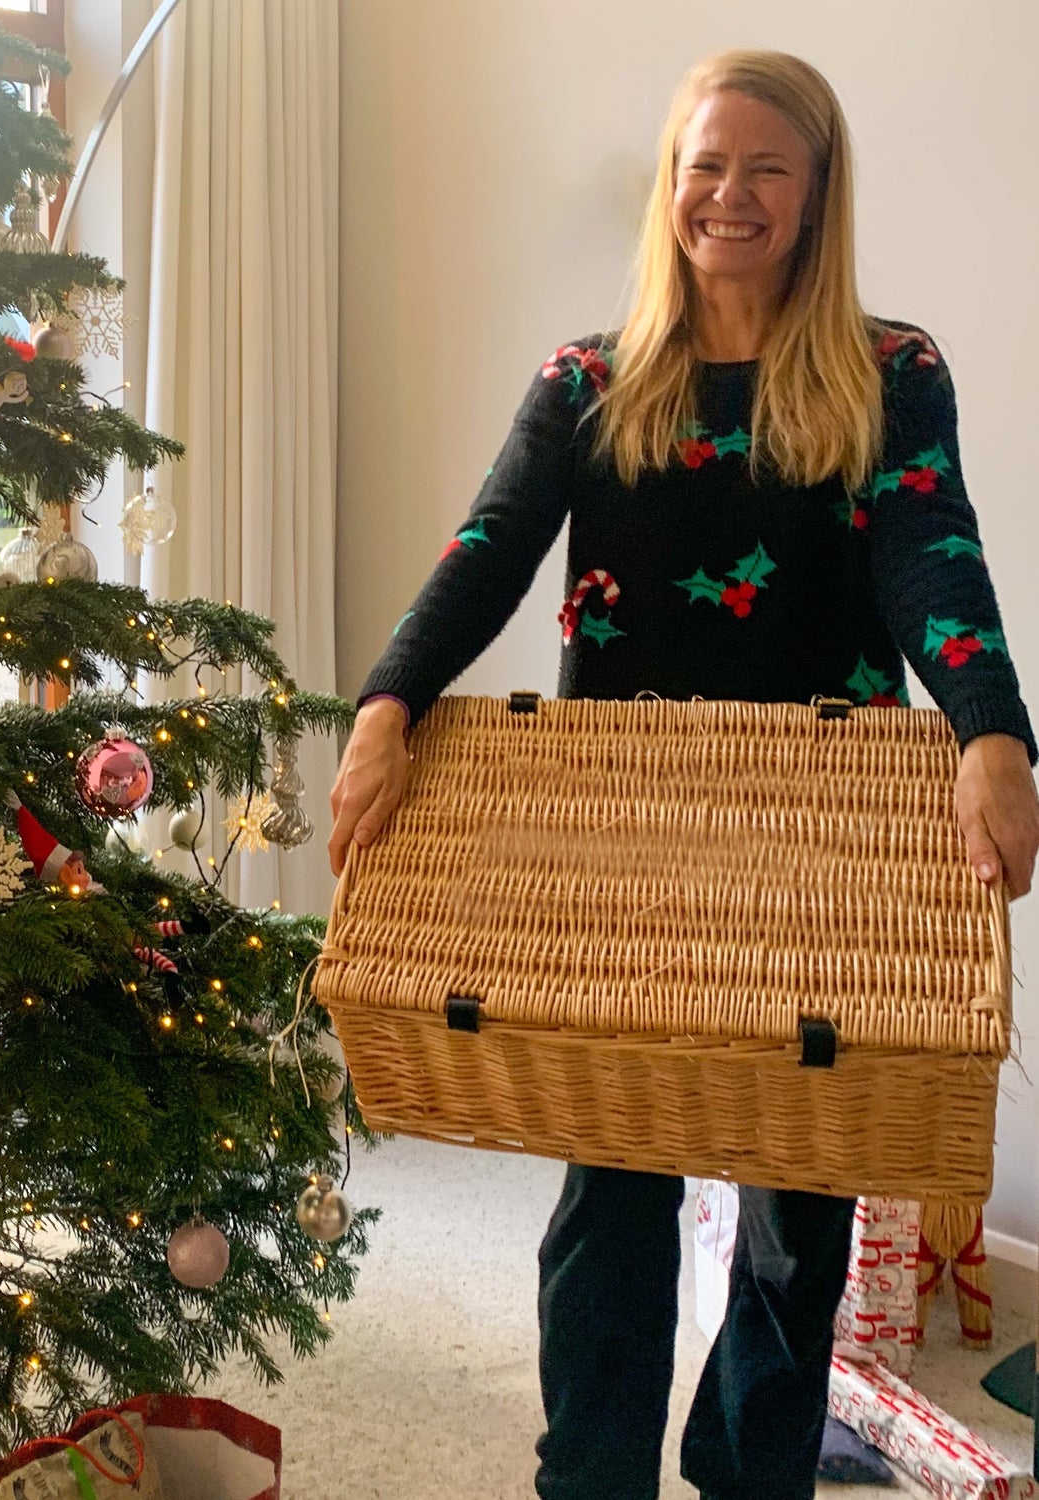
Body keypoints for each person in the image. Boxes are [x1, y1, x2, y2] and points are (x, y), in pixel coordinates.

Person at [326, 48, 1039, 1500]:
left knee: (800, 1211)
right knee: (611, 1194)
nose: (730, 193)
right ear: (671, 186)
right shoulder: (586, 382)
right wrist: (387, 701)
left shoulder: (892, 375)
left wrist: (991, 729)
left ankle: (748, 1474)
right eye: (704, 163)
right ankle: (588, 1477)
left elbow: (930, 553)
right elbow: (487, 551)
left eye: (766, 165)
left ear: (817, 191)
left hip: (828, 839)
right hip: (624, 846)